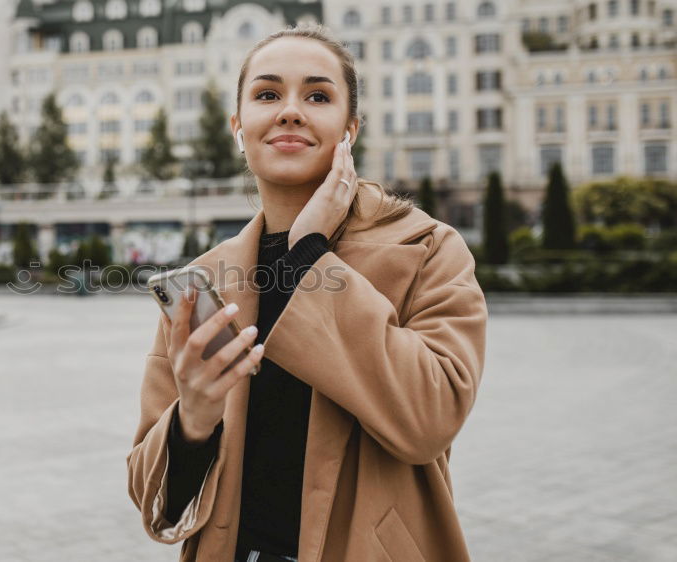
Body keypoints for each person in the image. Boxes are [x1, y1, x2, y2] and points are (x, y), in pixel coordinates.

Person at [127, 23, 488, 562]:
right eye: (267, 94)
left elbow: (429, 418)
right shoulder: (206, 278)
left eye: (317, 96)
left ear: (350, 130)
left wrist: (307, 255)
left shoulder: (428, 248)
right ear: (238, 126)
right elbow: (153, 495)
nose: (290, 111)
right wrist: (192, 421)